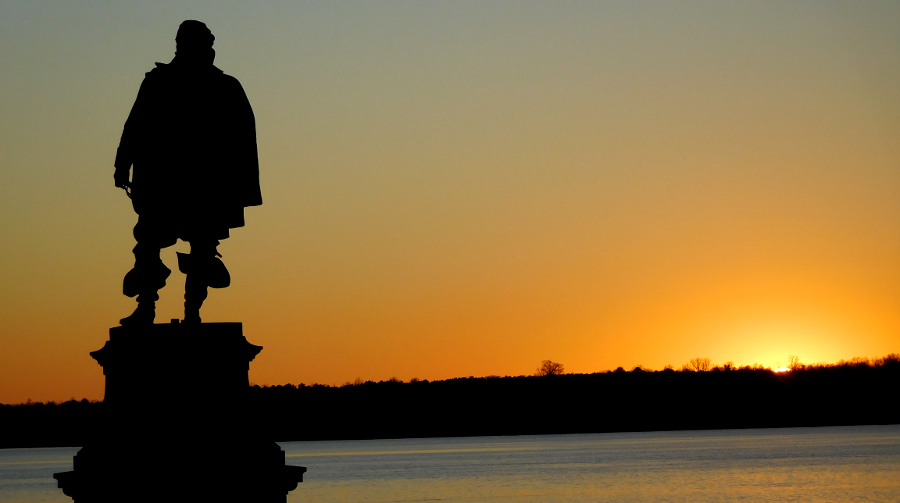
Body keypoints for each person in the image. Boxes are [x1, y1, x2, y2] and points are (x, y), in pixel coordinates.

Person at [114, 20, 261, 325]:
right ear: (184, 46)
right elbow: (136, 125)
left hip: (205, 189)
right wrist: (122, 162)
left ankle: (190, 312)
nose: (208, 50)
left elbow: (242, 139)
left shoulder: (225, 87)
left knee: (202, 252)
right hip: (163, 185)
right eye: (203, 44)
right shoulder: (158, 82)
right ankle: (147, 308)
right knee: (149, 245)